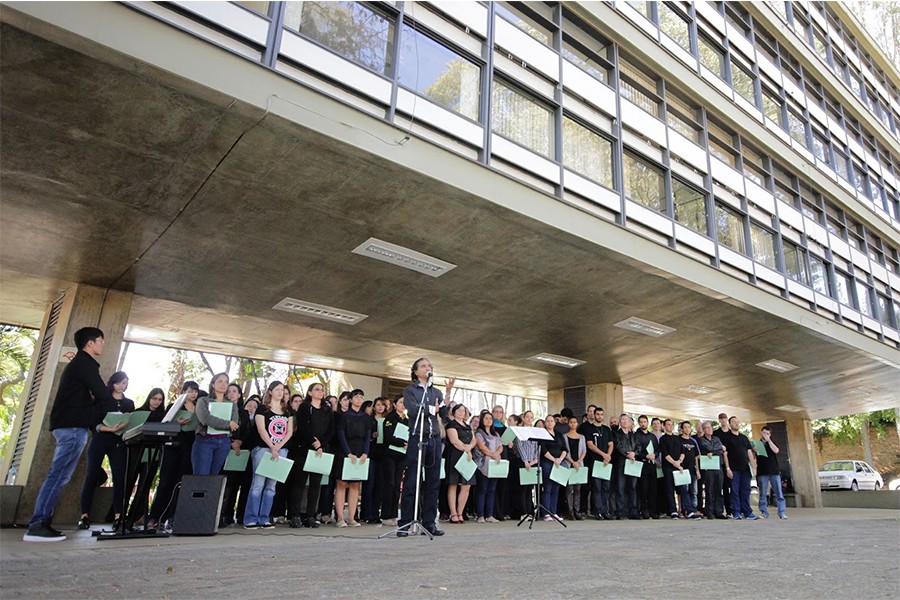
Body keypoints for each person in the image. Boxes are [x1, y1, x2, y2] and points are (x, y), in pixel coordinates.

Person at [24, 327, 113, 542]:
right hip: (73, 427)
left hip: (68, 425)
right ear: (90, 343)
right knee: (58, 475)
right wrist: (94, 399)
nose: (102, 344)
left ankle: (41, 522)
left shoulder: (80, 364)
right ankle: (38, 524)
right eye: (100, 340)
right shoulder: (85, 363)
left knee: (59, 475)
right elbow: (102, 393)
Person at [397, 358, 454, 537]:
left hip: (434, 439)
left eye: (430, 365)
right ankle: (405, 523)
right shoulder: (410, 391)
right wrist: (432, 409)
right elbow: (413, 410)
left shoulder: (435, 392)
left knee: (433, 482)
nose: (427, 368)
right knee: (412, 481)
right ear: (415, 372)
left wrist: (447, 395)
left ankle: (429, 522)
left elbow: (443, 413)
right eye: (423, 366)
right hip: (417, 437)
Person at [77, 371, 134, 531]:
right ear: (112, 383)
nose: (121, 386)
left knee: (119, 477)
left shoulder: (129, 403)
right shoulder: (102, 400)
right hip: (100, 440)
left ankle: (118, 516)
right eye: (119, 382)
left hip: (118, 442)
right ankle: (84, 515)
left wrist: (124, 427)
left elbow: (132, 422)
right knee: (91, 475)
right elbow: (93, 423)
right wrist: (109, 428)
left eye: (125, 383)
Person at [146, 381, 198, 530]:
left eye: (195, 391)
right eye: (190, 390)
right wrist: (178, 423)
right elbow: (164, 425)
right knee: (165, 482)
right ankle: (155, 517)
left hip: (189, 448)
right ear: (183, 391)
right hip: (172, 447)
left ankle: (173, 517)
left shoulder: (199, 408)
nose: (193, 394)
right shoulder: (174, 406)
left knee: (180, 484)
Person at [244, 381, 293, 529]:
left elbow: (289, 432)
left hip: (281, 450)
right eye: (277, 389)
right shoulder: (262, 409)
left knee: (271, 486)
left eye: (282, 390)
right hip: (263, 449)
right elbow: (261, 429)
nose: (280, 392)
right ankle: (251, 518)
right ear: (270, 392)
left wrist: (278, 447)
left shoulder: (288, 411)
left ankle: (265, 518)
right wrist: (272, 446)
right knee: (258, 484)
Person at [289, 382, 334, 528]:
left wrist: (321, 444)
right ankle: (295, 515)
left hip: (321, 450)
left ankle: (310, 515)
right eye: (316, 389)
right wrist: (314, 442)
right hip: (304, 448)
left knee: (316, 485)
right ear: (310, 393)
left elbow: (330, 429)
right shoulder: (304, 407)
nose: (320, 392)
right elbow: (303, 427)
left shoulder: (327, 409)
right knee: (300, 483)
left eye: (322, 390)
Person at [334, 389, 371, 527]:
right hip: (345, 451)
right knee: (342, 483)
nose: (359, 399)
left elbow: (368, 436)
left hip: (360, 450)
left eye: (362, 396)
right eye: (356, 396)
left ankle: (351, 517)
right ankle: (340, 518)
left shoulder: (366, 417)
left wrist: (365, 453)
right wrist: (348, 453)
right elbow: (341, 434)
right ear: (350, 399)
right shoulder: (344, 416)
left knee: (355, 484)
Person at [192, 372, 239, 475]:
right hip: (205, 440)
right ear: (213, 384)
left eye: (226, 382)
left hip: (224, 442)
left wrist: (229, 424)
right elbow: (205, 419)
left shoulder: (232, 404)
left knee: (214, 478)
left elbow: (234, 424)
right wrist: (227, 423)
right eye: (220, 381)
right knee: (201, 476)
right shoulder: (203, 400)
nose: (223, 384)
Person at [720, 416, 757, 520]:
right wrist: (727, 468)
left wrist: (754, 467)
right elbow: (725, 454)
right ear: (730, 424)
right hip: (734, 469)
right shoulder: (727, 438)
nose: (736, 423)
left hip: (745, 469)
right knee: (735, 491)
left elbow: (749, 452)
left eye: (737, 422)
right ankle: (736, 512)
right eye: (733, 422)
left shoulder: (744, 438)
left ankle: (747, 512)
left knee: (746, 490)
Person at [445, 403, 475, 524]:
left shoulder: (468, 426)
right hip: (455, 455)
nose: (461, 412)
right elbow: (454, 441)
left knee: (466, 485)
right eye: (459, 410)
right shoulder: (451, 425)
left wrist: (470, 447)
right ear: (454, 412)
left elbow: (473, 440)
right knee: (453, 485)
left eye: (463, 410)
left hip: (468, 456)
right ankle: (453, 513)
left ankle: (460, 512)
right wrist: (466, 449)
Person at [582, 407, 614, 520]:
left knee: (606, 487)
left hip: (606, 462)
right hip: (595, 462)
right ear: (594, 415)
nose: (600, 416)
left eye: (601, 414)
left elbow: (611, 444)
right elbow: (590, 445)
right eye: (598, 414)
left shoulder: (606, 429)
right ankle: (598, 511)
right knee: (597, 487)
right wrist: (603, 454)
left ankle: (606, 511)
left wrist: (608, 455)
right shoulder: (590, 428)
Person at [380, 395, 408, 526]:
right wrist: (402, 442)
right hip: (390, 454)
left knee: (397, 485)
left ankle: (394, 514)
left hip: (402, 456)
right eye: (400, 402)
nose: (403, 405)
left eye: (404, 403)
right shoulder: (390, 418)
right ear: (395, 405)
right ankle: (385, 514)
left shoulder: (407, 420)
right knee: (389, 484)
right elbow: (388, 437)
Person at [473, 410, 502, 524]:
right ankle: (480, 515)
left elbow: (500, 446)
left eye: (490, 418)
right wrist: (493, 454)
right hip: (482, 464)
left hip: (494, 465)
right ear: (482, 420)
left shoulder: (495, 434)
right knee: (482, 489)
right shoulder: (479, 433)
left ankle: (489, 514)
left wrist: (497, 453)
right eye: (486, 418)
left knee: (491, 490)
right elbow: (481, 446)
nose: (488, 420)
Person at [697, 421, 728, 519]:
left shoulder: (717, 438)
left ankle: (719, 511)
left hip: (718, 466)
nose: (709, 429)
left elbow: (721, 449)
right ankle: (709, 511)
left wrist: (713, 451)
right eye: (706, 428)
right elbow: (708, 447)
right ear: (703, 430)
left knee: (719, 489)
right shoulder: (701, 440)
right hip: (708, 467)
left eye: (710, 427)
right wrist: (717, 450)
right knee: (709, 489)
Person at [539, 415, 568, 521]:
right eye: (548, 421)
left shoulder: (559, 435)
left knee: (556, 488)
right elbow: (543, 450)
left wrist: (560, 459)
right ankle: (546, 513)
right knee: (548, 487)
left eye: (552, 421)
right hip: (547, 462)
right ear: (545, 423)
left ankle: (553, 512)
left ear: (554, 423)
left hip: (559, 462)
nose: (550, 423)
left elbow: (564, 448)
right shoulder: (542, 435)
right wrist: (553, 459)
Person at [756, 426, 787, 519]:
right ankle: (764, 512)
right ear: (761, 432)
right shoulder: (757, 443)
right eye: (764, 433)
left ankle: (781, 512)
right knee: (763, 494)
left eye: (767, 433)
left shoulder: (772, 442)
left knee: (779, 493)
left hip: (774, 471)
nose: (765, 435)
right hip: (762, 471)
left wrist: (769, 441)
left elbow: (776, 450)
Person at [614, 414, 641, 520]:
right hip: (621, 463)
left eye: (626, 420)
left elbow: (639, 447)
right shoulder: (616, 434)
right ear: (620, 423)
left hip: (633, 463)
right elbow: (618, 446)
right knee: (621, 487)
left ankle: (633, 511)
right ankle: (620, 511)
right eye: (622, 420)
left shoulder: (634, 435)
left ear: (630, 422)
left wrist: (634, 453)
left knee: (633, 487)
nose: (624, 422)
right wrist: (627, 454)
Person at [515, 410, 541, 518]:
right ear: (523, 418)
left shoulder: (534, 431)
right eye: (527, 417)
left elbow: (538, 447)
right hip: (523, 462)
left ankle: (530, 512)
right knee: (523, 489)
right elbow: (519, 446)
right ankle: (523, 512)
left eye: (531, 417)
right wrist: (525, 460)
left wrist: (535, 460)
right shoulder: (520, 431)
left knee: (531, 489)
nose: (529, 419)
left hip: (533, 462)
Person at [633, 414, 658, 520]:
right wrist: (645, 455)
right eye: (641, 422)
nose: (643, 424)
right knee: (643, 488)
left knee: (653, 489)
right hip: (642, 464)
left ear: (647, 423)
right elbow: (636, 451)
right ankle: (644, 510)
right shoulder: (636, 435)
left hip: (652, 464)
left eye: (645, 422)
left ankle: (653, 510)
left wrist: (654, 455)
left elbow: (657, 449)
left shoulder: (652, 436)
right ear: (639, 423)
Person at [675, 421, 702, 519]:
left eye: (688, 427)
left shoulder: (693, 441)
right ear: (681, 429)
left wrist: (697, 470)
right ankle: (685, 510)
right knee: (684, 491)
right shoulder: (677, 440)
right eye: (685, 427)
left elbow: (696, 457)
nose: (687, 429)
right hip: (682, 470)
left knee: (693, 491)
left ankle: (693, 510)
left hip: (692, 470)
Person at [563, 416, 586, 520]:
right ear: (569, 424)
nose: (573, 424)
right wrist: (572, 462)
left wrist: (579, 462)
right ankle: (569, 511)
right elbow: (565, 451)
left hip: (579, 466)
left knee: (578, 489)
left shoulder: (582, 437)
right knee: (569, 489)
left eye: (575, 422)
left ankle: (577, 510)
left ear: (577, 424)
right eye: (571, 422)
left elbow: (584, 451)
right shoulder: (564, 436)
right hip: (569, 465)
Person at [712, 412, 732, 516]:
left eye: (725, 418)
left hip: (732, 463)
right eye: (721, 419)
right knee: (721, 488)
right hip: (720, 464)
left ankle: (731, 510)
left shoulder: (732, 433)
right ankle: (719, 510)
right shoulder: (716, 434)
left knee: (732, 488)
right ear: (719, 421)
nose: (723, 420)